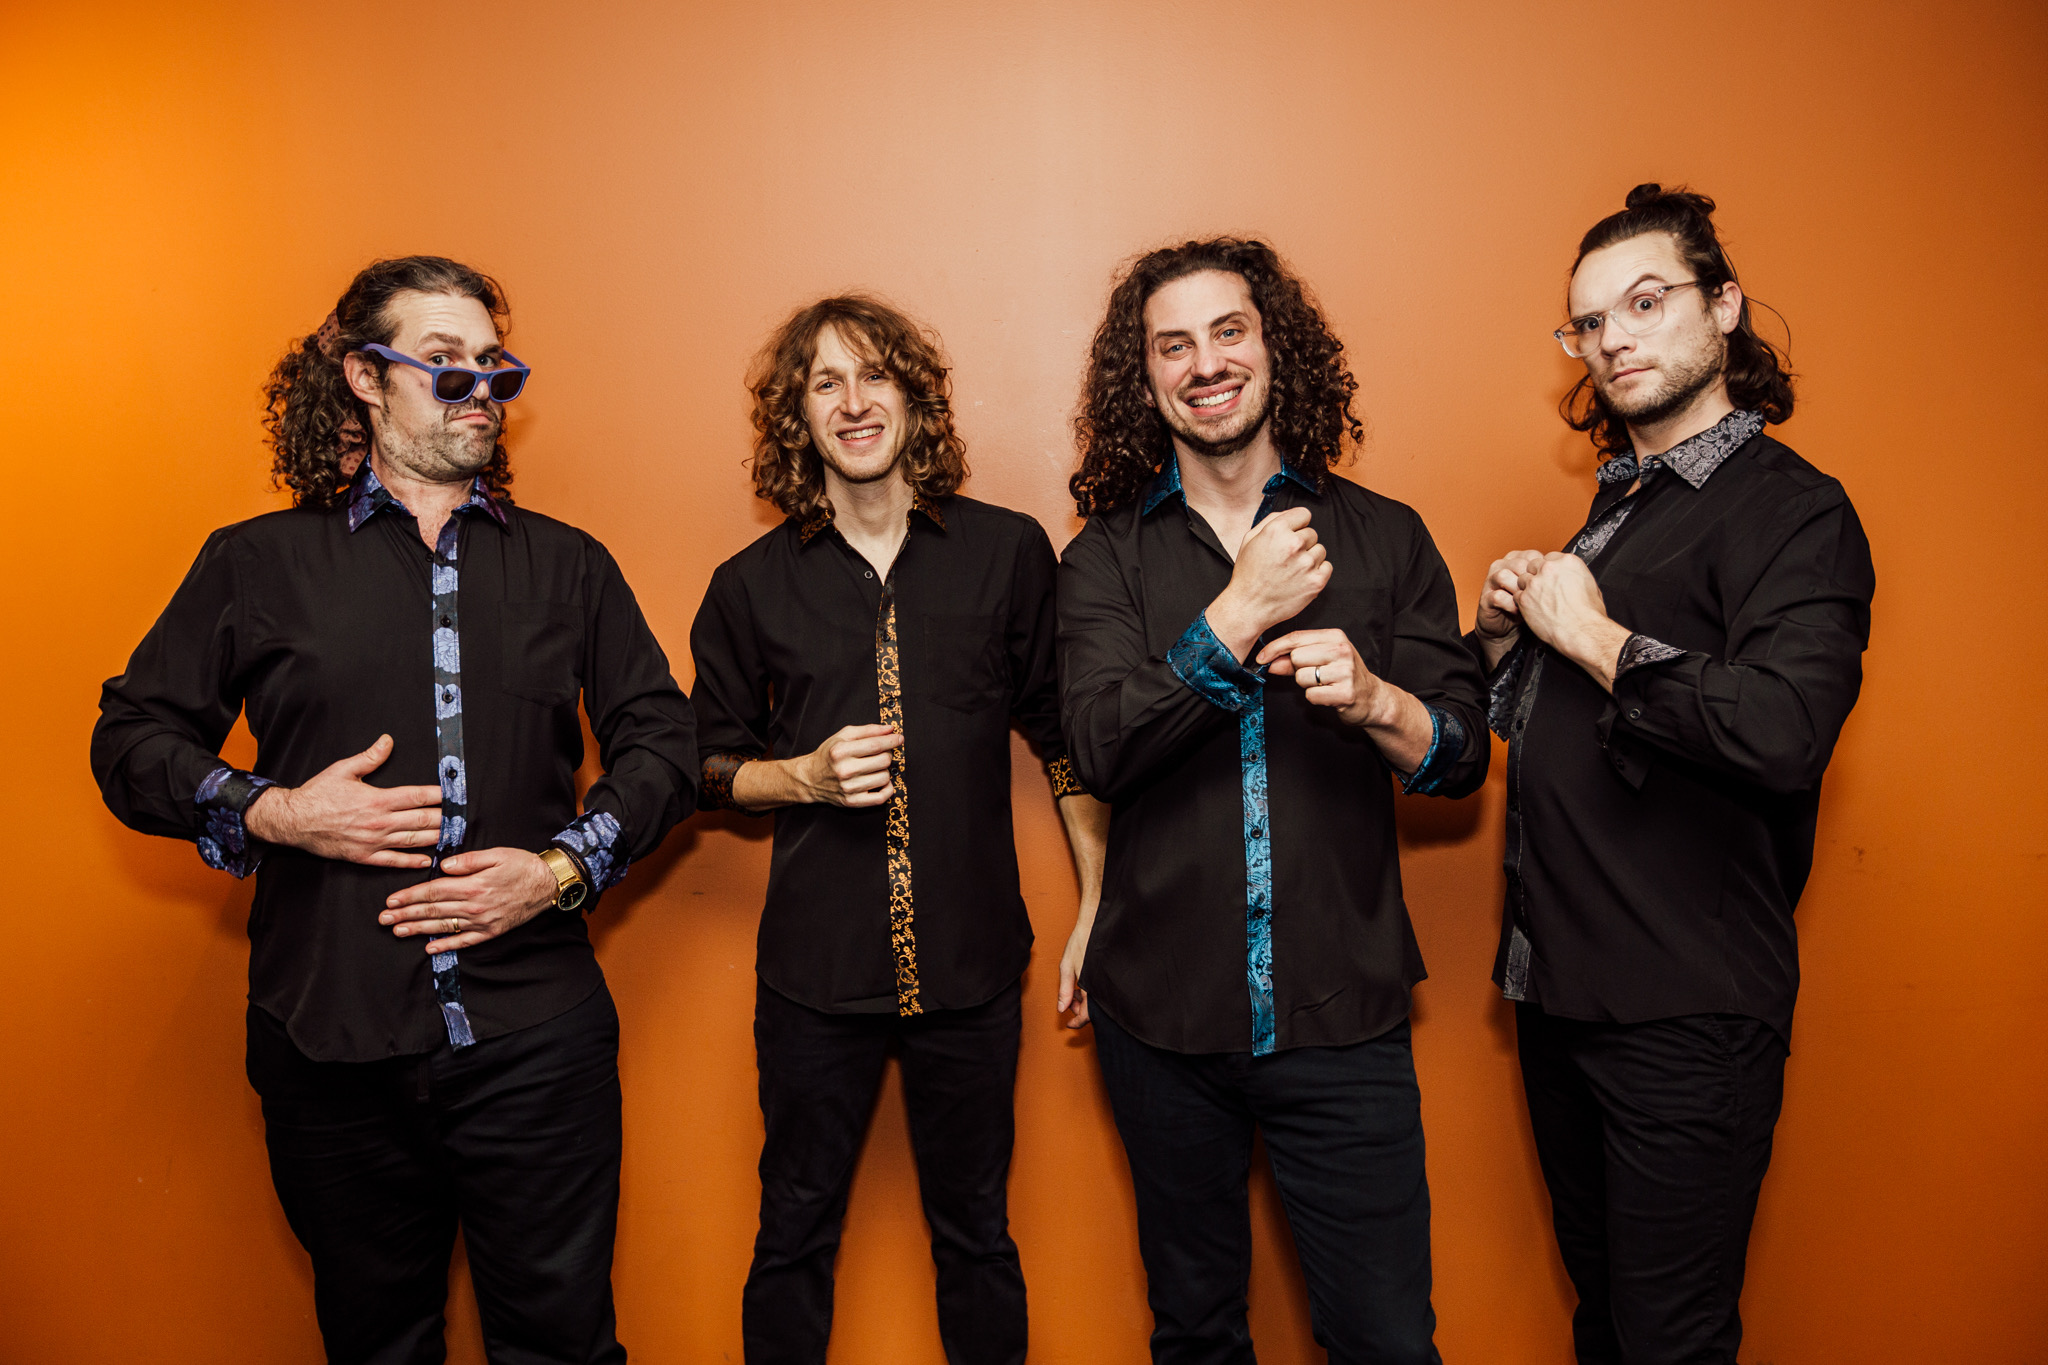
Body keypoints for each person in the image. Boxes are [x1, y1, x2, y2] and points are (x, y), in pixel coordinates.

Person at [91, 256, 697, 1364]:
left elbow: (666, 742)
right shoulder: (256, 561)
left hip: (534, 1041)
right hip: (329, 1042)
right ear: (367, 378)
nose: (478, 390)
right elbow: (130, 742)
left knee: (563, 1344)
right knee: (377, 1345)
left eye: (492, 367)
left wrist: (560, 870)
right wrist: (271, 812)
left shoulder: (569, 567)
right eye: (444, 363)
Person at [1056, 237, 1486, 1364]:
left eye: (1227, 331)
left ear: (1272, 345)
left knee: (1386, 1341)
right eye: (1173, 345)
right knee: (1195, 1335)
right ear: (1142, 380)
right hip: (1160, 1023)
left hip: (1341, 1017)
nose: (1205, 362)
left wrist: (1377, 700)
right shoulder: (1102, 560)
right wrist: (1233, 618)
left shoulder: (1383, 536)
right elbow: (1098, 745)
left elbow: (1458, 758)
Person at [1471, 185, 1874, 1364]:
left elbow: (1783, 725)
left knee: (1668, 1341)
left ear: (1725, 309)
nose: (1613, 339)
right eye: (1587, 324)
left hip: (1685, 1015)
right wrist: (1508, 635)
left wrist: (1590, 636)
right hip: (1561, 999)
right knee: (1607, 1323)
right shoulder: (1613, 510)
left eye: (1644, 303)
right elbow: (1551, 735)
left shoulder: (1792, 513)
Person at [688, 294, 1109, 1365]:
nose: (853, 401)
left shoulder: (1009, 554)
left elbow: (1060, 738)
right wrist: (804, 778)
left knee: (976, 1236)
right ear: (798, 416)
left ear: (915, 396)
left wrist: (1098, 901)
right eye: (824, 383)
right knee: (792, 1235)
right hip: (810, 979)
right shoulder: (747, 587)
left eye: (873, 374)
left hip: (971, 972)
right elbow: (702, 768)